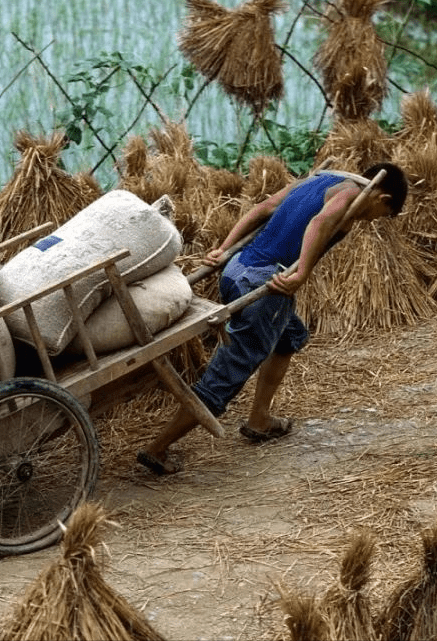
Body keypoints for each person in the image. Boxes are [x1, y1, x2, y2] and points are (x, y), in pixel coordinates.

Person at [136, 162, 409, 475]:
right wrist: (302, 272)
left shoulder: (320, 180)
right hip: (265, 282)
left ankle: (260, 419)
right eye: (382, 215)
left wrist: (224, 250)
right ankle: (157, 448)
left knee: (289, 337)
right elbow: (319, 224)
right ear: (383, 199)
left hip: (237, 268)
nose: (374, 220)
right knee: (232, 367)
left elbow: (265, 207)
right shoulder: (349, 195)